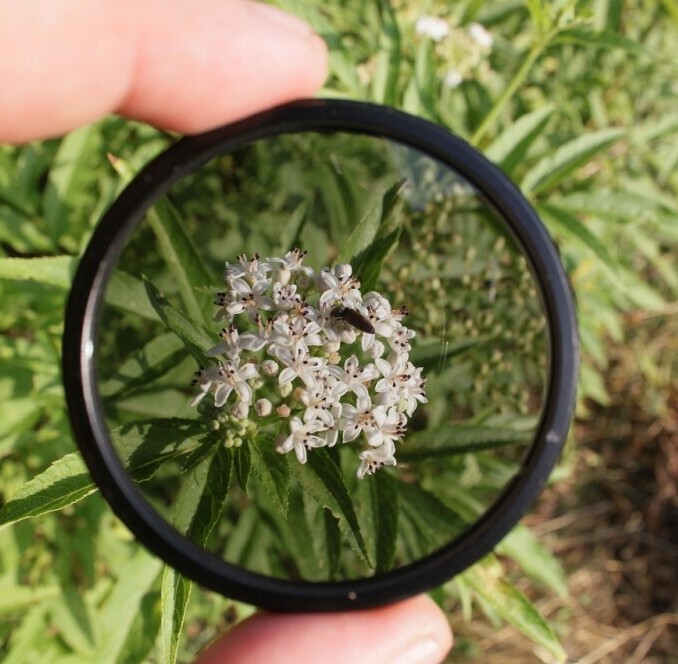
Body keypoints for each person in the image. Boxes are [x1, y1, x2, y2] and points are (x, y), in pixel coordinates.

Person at [0, 2, 454, 662]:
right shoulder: (301, 332)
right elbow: (292, 358)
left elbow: (304, 388)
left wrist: (283, 393)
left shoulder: (328, 396)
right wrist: (268, 373)